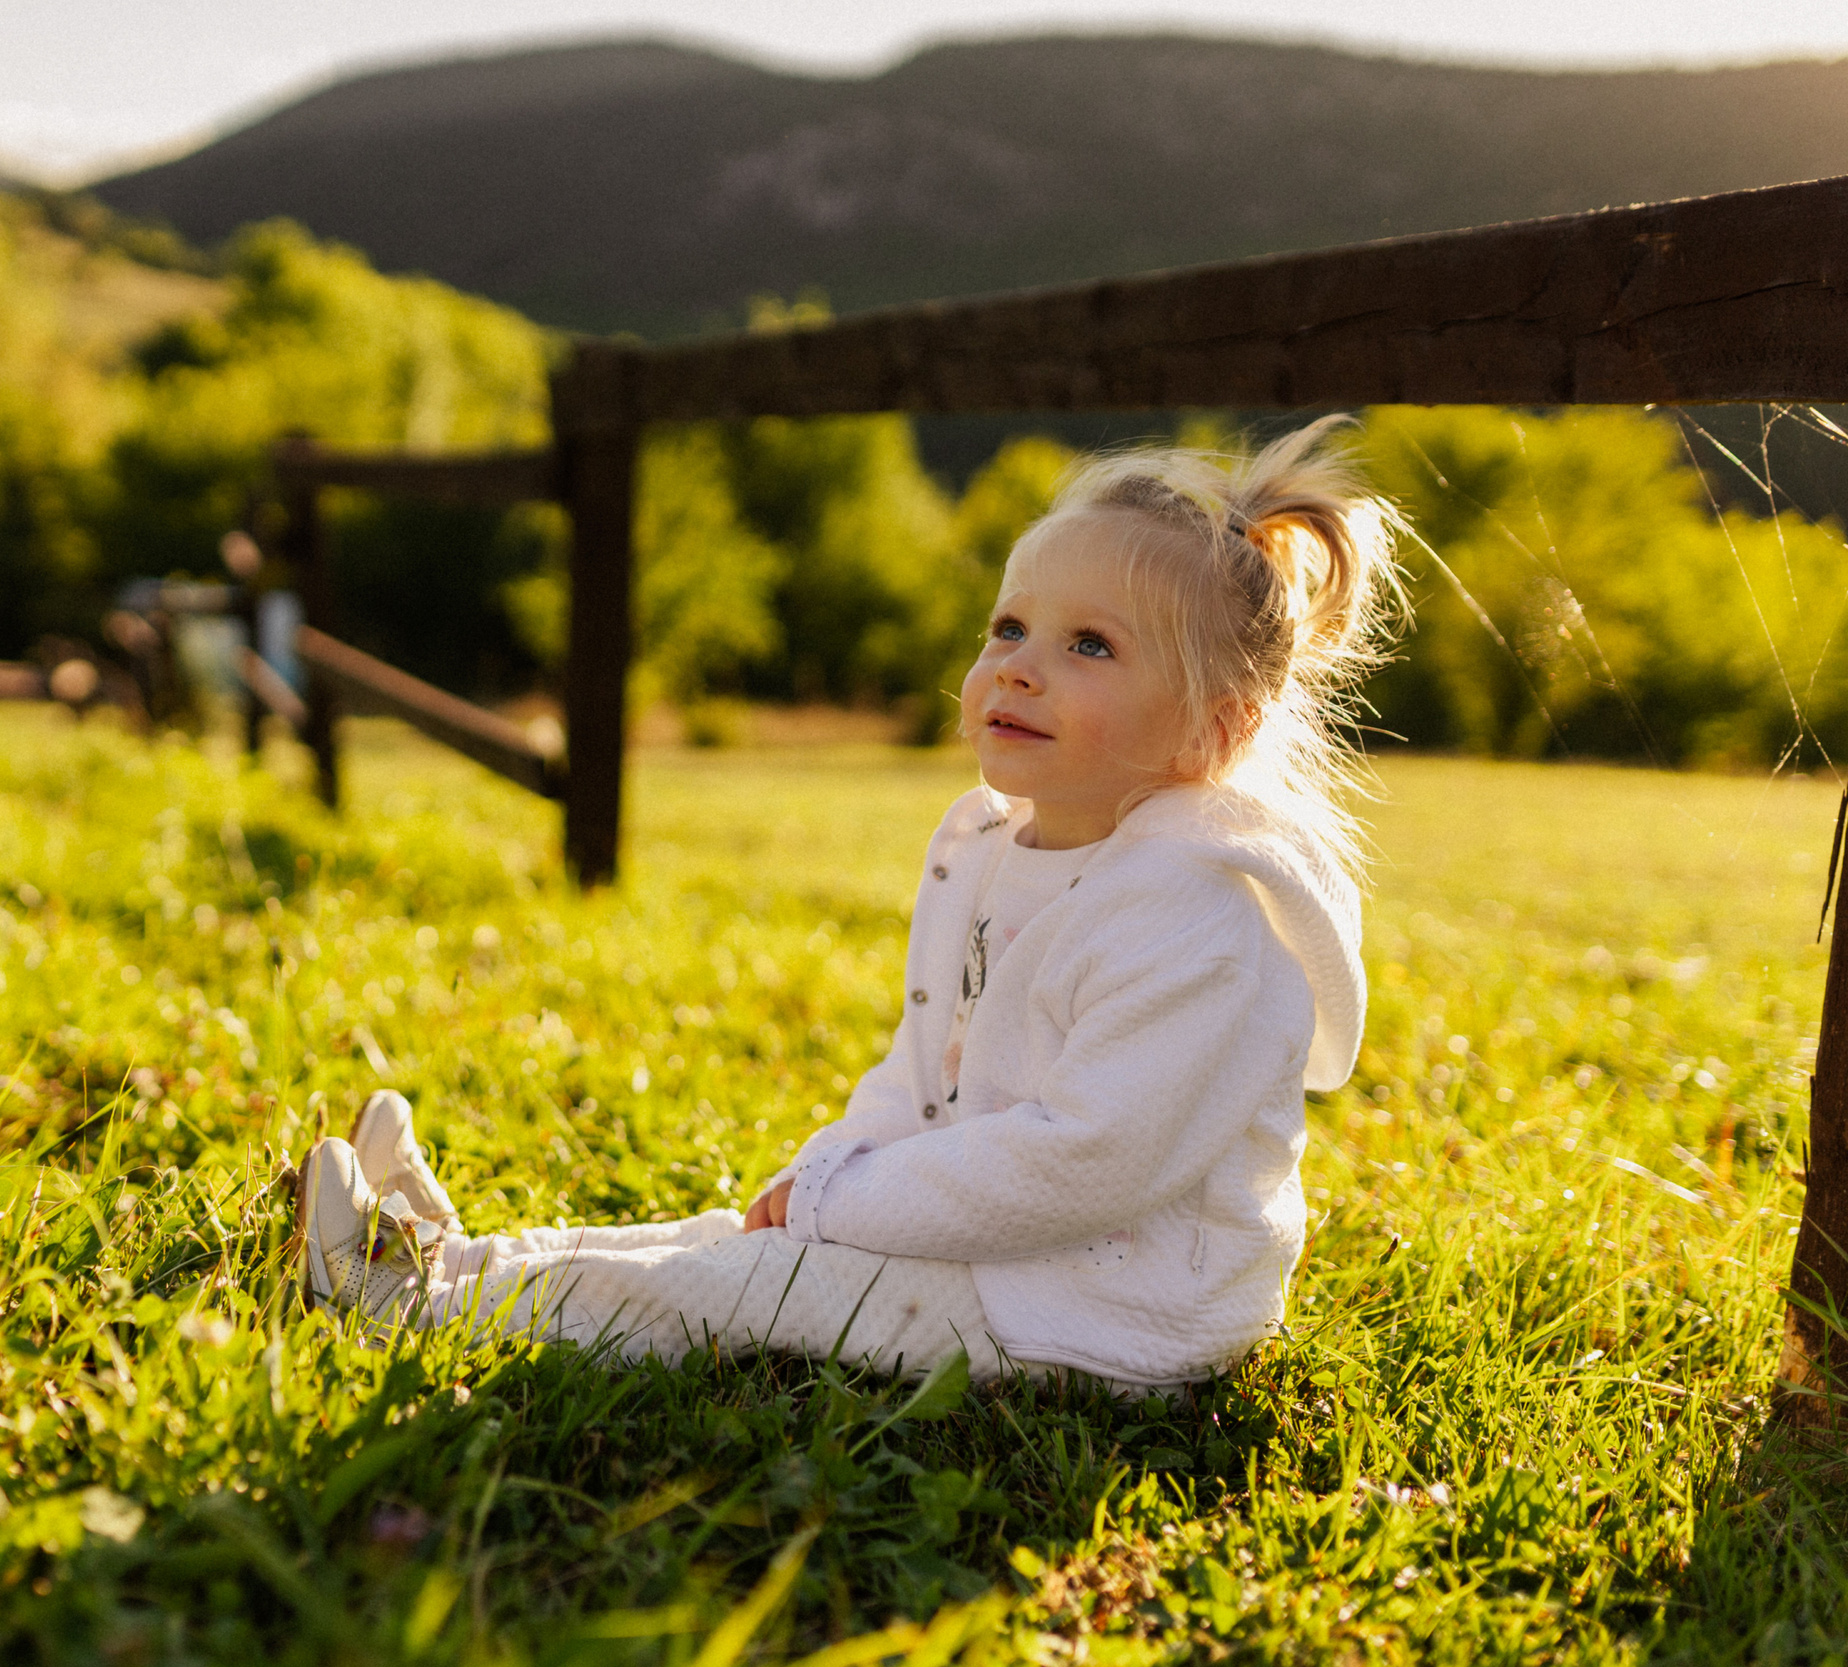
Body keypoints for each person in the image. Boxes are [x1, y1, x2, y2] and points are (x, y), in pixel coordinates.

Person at [295, 417, 1399, 1393]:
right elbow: (928, 1072)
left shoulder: (1192, 921)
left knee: (736, 1288)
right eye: (1008, 627)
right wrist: (830, 1167)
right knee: (728, 1238)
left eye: (1089, 646)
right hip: (1001, 1245)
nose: (1015, 668)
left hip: (1109, 1308)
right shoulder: (1003, 847)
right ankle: (452, 1258)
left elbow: (1086, 1162)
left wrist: (842, 1204)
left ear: (1217, 728)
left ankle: (409, 1306)